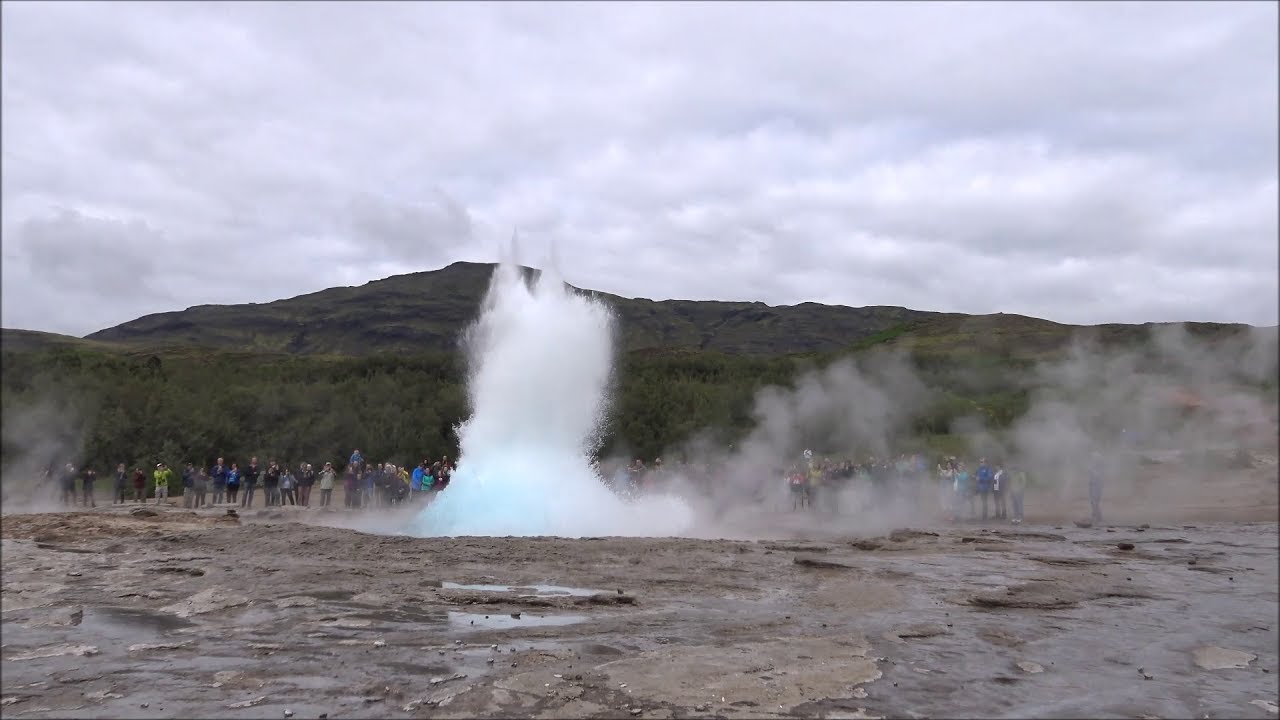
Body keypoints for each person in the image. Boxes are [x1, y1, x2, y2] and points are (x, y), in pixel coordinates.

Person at [1088, 451, 1104, 524]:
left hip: (1096, 486)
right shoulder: (1093, 466)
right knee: (1093, 502)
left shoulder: (1098, 468)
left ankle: (1098, 517)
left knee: (1095, 502)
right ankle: (1096, 516)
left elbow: (1097, 477)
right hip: (1092, 485)